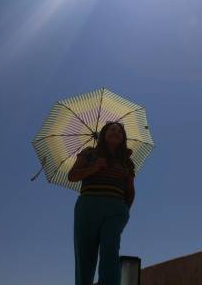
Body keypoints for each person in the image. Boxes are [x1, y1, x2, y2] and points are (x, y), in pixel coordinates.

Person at [68, 121, 136, 285]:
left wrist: (125, 210)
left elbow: (130, 190)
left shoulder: (127, 161)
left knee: (110, 252)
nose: (116, 132)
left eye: (119, 131)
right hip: (88, 208)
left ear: (123, 138)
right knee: (85, 255)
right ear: (104, 134)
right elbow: (72, 176)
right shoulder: (90, 153)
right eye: (112, 129)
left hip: (116, 210)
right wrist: (93, 168)